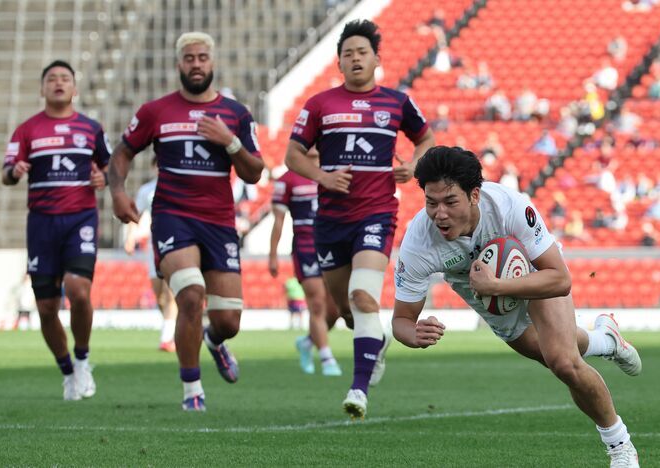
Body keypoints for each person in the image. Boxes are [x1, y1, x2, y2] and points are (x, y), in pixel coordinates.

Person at [393, 146, 641, 467]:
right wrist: (412, 334)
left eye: (450, 202)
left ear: (474, 195)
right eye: (431, 202)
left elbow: (559, 279)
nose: (439, 213)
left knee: (563, 362)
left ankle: (620, 447)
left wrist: (497, 286)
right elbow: (401, 320)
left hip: (534, 273)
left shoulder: (509, 207)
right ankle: (606, 340)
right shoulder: (419, 243)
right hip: (485, 296)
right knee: (549, 351)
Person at [285, 19, 435, 418]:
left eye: (362, 52)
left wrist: (414, 165)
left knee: (363, 295)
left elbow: (426, 139)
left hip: (376, 214)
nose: (355, 59)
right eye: (348, 54)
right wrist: (322, 177)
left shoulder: (397, 103)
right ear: (339, 63)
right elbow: (292, 154)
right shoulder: (319, 105)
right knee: (348, 311)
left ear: (376, 59)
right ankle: (376, 341)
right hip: (330, 222)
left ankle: (359, 389)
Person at [109, 32, 265, 411]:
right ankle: (192, 388)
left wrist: (230, 141)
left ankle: (214, 341)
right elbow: (122, 154)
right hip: (173, 217)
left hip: (219, 223)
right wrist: (117, 193)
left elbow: (254, 172)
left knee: (228, 321)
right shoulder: (156, 111)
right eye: (189, 58)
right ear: (179, 64)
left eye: (202, 57)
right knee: (191, 295)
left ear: (212, 62)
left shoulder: (236, 114)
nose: (196, 64)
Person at [2, 60, 110, 400]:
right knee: (46, 307)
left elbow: (110, 167)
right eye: (52, 79)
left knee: (79, 290)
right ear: (42, 88)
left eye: (65, 78)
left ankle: (83, 359)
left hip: (80, 220)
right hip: (42, 224)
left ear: (74, 88)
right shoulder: (27, 130)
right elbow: (6, 173)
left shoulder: (91, 129)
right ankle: (67, 371)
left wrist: (104, 177)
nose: (58, 83)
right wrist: (14, 171)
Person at [270, 157, 342, 376]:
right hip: (305, 247)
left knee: (335, 310)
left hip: (332, 245)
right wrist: (273, 254)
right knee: (317, 303)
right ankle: (327, 358)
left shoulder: (333, 172)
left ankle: (308, 342)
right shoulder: (287, 179)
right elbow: (278, 220)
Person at [123, 155, 178, 352]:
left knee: (171, 293)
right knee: (159, 296)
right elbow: (135, 215)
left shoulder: (178, 188)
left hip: (176, 242)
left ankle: (167, 339)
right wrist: (130, 237)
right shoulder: (147, 190)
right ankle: (174, 328)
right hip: (155, 245)